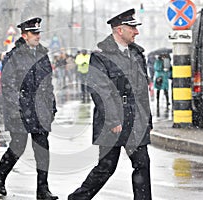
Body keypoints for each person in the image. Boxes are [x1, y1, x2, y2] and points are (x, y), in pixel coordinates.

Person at [68, 8, 153, 200]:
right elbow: (101, 91)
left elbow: (141, 92)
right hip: (113, 122)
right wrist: (113, 119)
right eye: (133, 28)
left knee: (142, 164)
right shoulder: (100, 57)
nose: (137, 32)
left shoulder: (138, 54)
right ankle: (77, 199)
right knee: (105, 169)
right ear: (119, 30)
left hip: (136, 121)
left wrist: (147, 120)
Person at [0, 17, 58, 200]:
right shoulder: (13, 56)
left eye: (39, 32)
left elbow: (48, 84)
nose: (37, 36)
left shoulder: (43, 54)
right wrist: (15, 110)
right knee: (17, 147)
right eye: (34, 33)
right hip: (21, 110)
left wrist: (52, 106)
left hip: (40, 111)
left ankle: (43, 189)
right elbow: (8, 85)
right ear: (24, 35)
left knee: (42, 151)